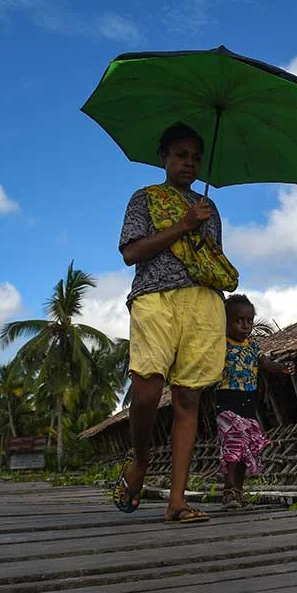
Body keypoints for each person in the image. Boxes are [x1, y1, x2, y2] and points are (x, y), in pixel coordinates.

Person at [114, 122, 239, 524]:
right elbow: (132, 252)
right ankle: (140, 461)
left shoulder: (210, 208)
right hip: (155, 297)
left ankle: (177, 501)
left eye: (196, 157)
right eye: (182, 155)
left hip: (203, 301)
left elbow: (210, 259)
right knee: (147, 391)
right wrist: (183, 224)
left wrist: (199, 227)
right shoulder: (145, 199)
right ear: (164, 158)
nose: (190, 163)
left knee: (188, 399)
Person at [217, 294, 294, 509]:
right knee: (233, 446)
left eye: (249, 320)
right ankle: (229, 490)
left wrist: (281, 368)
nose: (245, 325)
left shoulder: (253, 347)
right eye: (239, 320)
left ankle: (237, 491)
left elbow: (266, 363)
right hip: (226, 401)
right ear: (225, 321)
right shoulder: (219, 345)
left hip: (248, 403)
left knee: (245, 449)